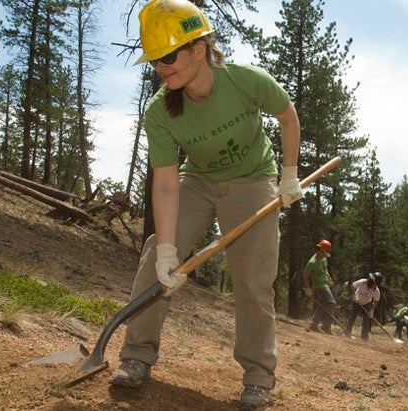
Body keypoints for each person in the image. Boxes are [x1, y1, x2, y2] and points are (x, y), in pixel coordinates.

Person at [109, 1, 302, 409]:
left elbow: (288, 117)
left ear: (198, 48)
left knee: (253, 278)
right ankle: (136, 356)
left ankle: (257, 377)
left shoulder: (246, 81)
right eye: (154, 61)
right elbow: (165, 182)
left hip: (254, 180)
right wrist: (166, 251)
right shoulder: (161, 110)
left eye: (168, 56)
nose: (160, 68)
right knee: (153, 261)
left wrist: (288, 175)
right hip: (197, 181)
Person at [303, 240, 336, 334]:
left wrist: (329, 279)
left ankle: (313, 325)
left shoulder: (324, 258)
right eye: (325, 252)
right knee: (331, 303)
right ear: (321, 250)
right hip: (319, 286)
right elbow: (305, 275)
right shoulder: (312, 262)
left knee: (322, 305)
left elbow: (325, 269)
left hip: (325, 284)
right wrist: (307, 288)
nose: (325, 255)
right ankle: (326, 326)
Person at [345, 272, 383, 341]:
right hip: (356, 301)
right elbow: (353, 286)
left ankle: (364, 336)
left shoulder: (376, 291)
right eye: (375, 284)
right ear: (371, 281)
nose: (376, 286)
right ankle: (347, 332)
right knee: (352, 316)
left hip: (367, 303)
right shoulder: (362, 282)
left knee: (367, 319)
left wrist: (372, 310)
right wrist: (354, 296)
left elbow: (376, 301)